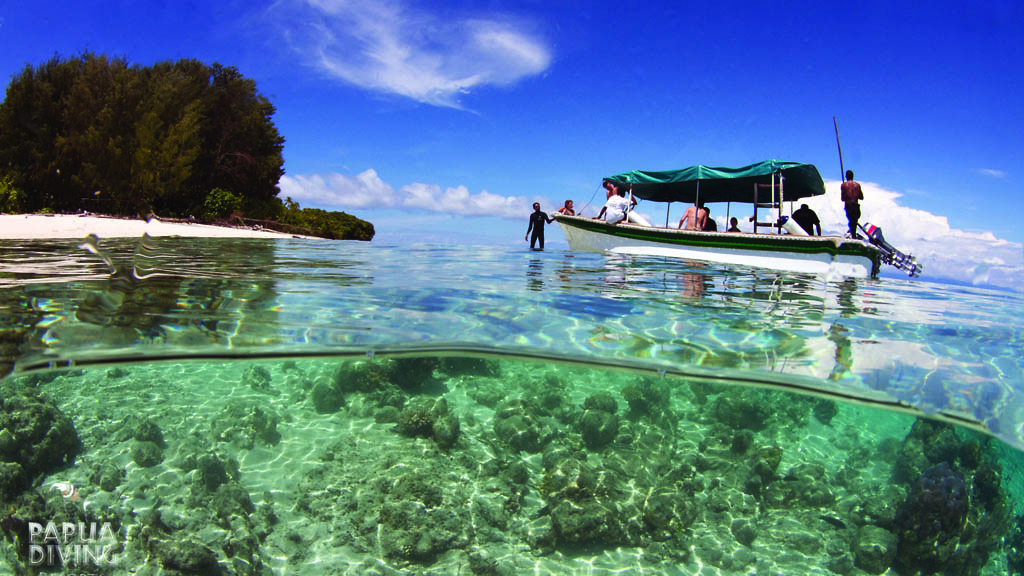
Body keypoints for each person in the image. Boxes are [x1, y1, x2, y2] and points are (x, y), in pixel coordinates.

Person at [840, 170, 864, 238]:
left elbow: (842, 198)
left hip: (849, 205)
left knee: (851, 221)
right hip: (856, 205)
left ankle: (853, 235)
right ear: (853, 176)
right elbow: (861, 197)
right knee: (854, 221)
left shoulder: (844, 185)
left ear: (846, 176)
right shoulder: (857, 185)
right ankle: (853, 234)